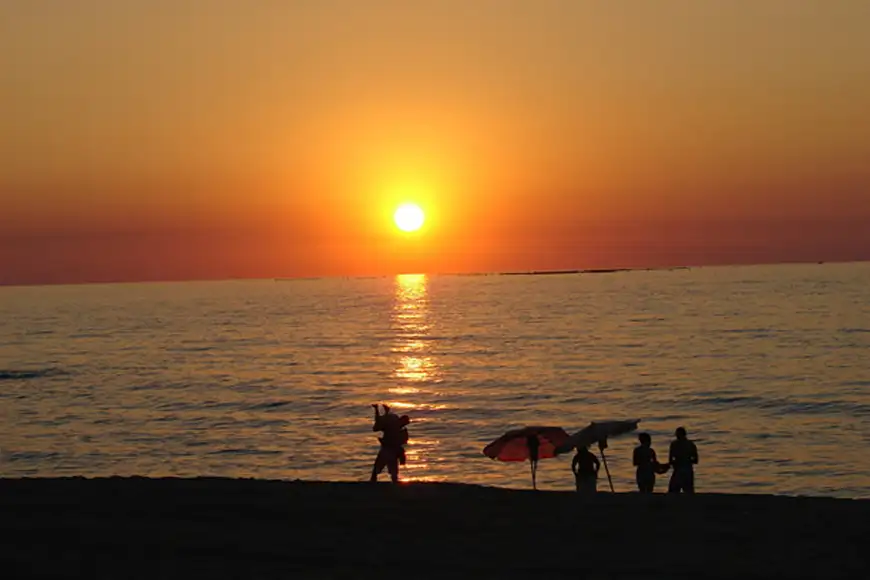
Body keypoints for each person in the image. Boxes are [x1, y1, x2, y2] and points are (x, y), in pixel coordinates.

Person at [369, 404, 410, 483]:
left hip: (391, 451)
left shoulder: (402, 431)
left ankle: (393, 484)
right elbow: (380, 424)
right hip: (387, 449)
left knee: (392, 471)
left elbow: (401, 443)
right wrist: (380, 411)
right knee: (378, 468)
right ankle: (373, 482)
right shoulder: (394, 423)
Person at [668, 426, 698, 494]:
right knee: (688, 491)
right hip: (687, 469)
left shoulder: (674, 444)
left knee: (673, 491)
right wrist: (687, 460)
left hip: (678, 470)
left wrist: (676, 462)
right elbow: (696, 460)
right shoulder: (691, 444)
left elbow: (671, 460)